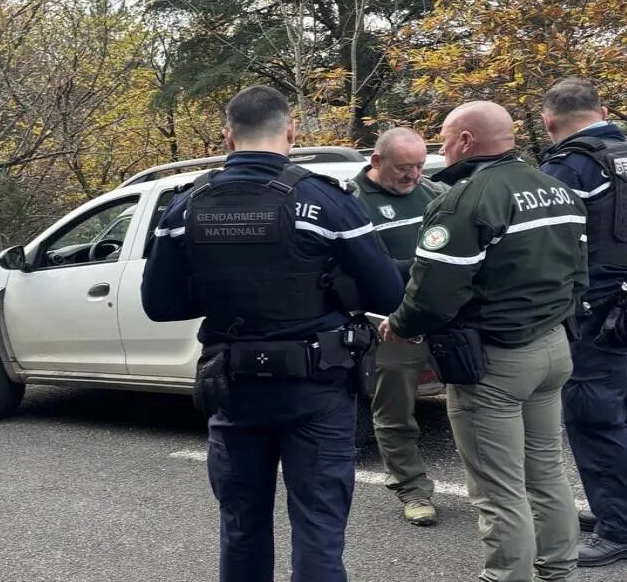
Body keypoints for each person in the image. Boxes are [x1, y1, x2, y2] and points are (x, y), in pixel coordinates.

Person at [141, 85, 403, 582]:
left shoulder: (186, 206)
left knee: (242, 527)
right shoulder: (325, 200)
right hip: (316, 388)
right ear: (291, 132)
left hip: (234, 387)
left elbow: (160, 305)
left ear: (228, 137)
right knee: (319, 528)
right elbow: (388, 294)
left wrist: (222, 288)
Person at [379, 101, 586, 582]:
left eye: (445, 138)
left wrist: (402, 325)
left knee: (498, 488)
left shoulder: (466, 201)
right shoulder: (557, 190)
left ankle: (507, 576)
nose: (443, 148)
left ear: (466, 141)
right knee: (546, 471)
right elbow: (579, 276)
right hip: (553, 347)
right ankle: (559, 569)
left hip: (494, 361)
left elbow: (434, 292)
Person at [539, 78, 627, 567]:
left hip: (600, 308)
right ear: (604, 110)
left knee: (595, 414)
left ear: (549, 122)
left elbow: (546, 242)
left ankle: (622, 530)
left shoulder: (568, 167)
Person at [351, 127, 446, 526]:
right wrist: (431, 266)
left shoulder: (435, 192)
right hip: (391, 325)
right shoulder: (353, 201)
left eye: (420, 166)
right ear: (377, 161)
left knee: (476, 404)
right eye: (404, 167)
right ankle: (412, 489)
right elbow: (369, 269)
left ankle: (494, 489)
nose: (414, 175)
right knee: (395, 413)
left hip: (446, 317)